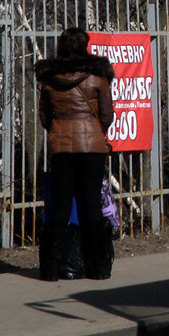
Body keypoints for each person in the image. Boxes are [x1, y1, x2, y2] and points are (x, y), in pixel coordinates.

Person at [35, 27, 116, 280]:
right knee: (92, 205)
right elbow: (107, 114)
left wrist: (59, 130)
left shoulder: (50, 78)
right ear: (84, 45)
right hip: (92, 147)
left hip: (61, 147)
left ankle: (51, 269)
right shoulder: (98, 77)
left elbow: (44, 117)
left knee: (60, 207)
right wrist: (94, 131)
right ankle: (99, 268)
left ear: (61, 46)